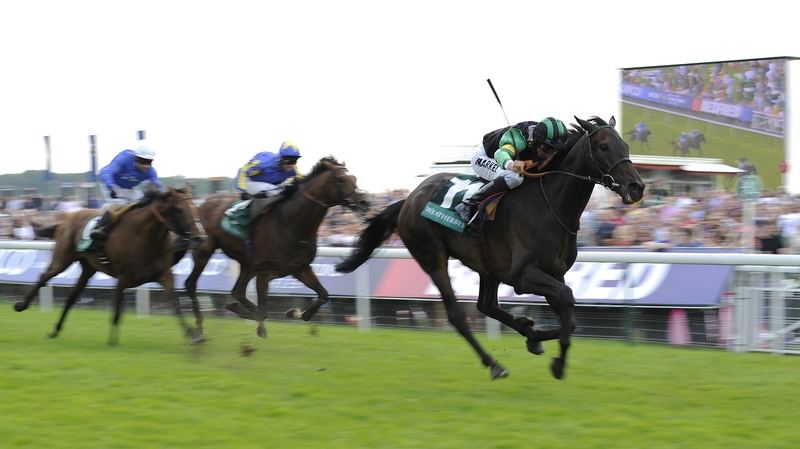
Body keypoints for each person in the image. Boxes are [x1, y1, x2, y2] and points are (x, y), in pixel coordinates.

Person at [454, 117, 569, 227]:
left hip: (502, 155)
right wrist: (511, 164)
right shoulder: (519, 138)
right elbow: (501, 153)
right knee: (514, 177)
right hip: (484, 157)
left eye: (553, 150)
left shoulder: (543, 135)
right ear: (536, 139)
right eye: (546, 148)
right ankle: (469, 204)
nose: (548, 154)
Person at [90, 140, 162, 240]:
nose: (146, 166)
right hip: (112, 184)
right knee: (120, 202)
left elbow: (158, 186)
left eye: (149, 162)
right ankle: (98, 227)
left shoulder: (151, 171)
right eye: (143, 162)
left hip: (129, 188)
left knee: (144, 203)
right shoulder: (124, 158)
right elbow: (106, 172)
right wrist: (111, 187)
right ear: (136, 158)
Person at [225, 140, 302, 220]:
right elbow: (243, 171)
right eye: (289, 161)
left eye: (294, 161)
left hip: (270, 186)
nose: (291, 165)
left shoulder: (293, 169)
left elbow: (303, 181)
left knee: (286, 189)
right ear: (281, 158)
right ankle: (237, 210)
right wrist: (242, 191)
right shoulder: (264, 162)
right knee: (276, 189)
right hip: (250, 182)